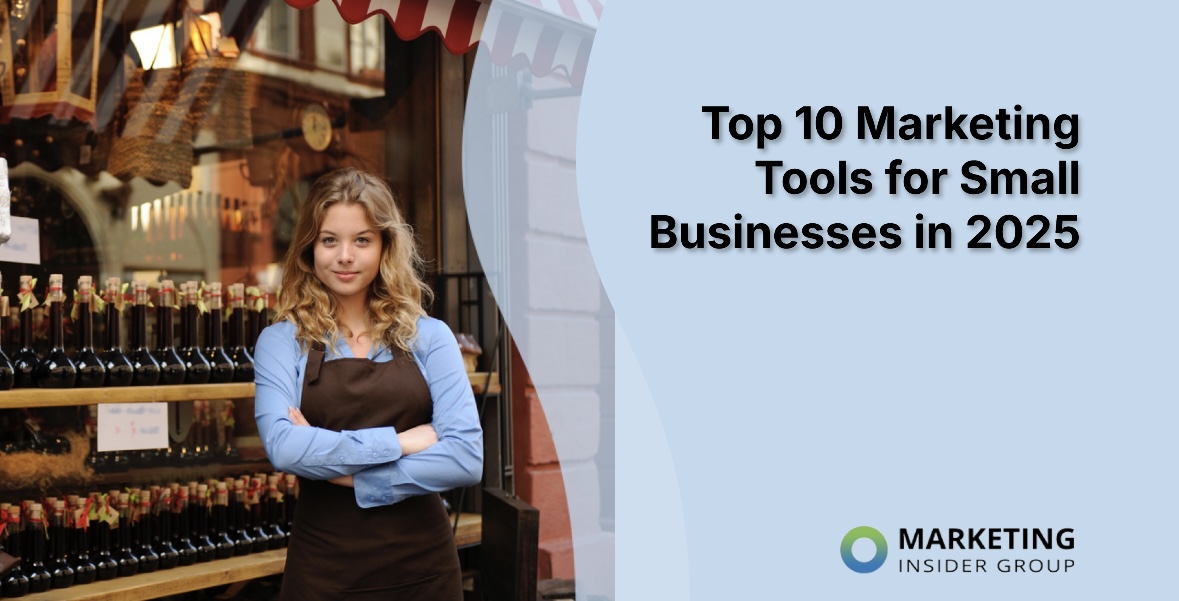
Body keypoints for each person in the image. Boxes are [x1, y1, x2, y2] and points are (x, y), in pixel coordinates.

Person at [254, 168, 482, 599]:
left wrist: (353, 479)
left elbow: (465, 458)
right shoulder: (282, 342)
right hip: (323, 571)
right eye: (329, 240)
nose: (345, 255)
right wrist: (402, 442)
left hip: (423, 570)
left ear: (384, 247)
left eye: (362, 240)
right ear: (309, 248)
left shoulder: (430, 336)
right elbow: (284, 447)